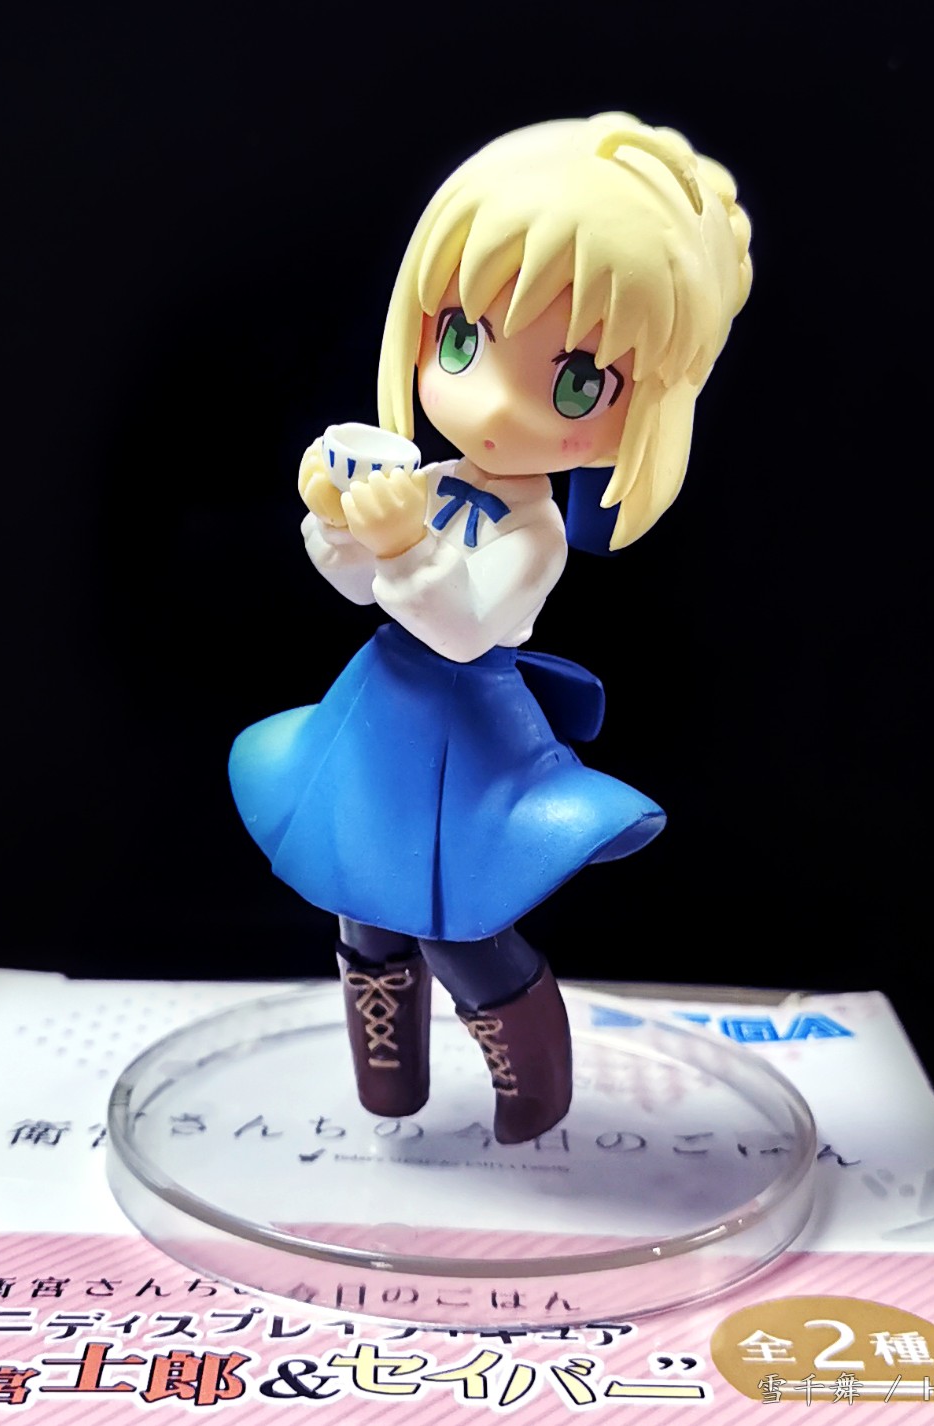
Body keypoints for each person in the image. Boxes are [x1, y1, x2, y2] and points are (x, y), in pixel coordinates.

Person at [230, 113, 752, 1142]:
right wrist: (335, 520)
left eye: (573, 382)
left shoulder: (535, 530)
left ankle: (532, 1090)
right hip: (379, 714)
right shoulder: (429, 477)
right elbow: (356, 586)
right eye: (461, 339)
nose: (496, 406)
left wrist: (402, 545)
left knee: (458, 923)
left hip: (465, 732)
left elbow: (467, 628)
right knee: (360, 900)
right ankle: (388, 1087)